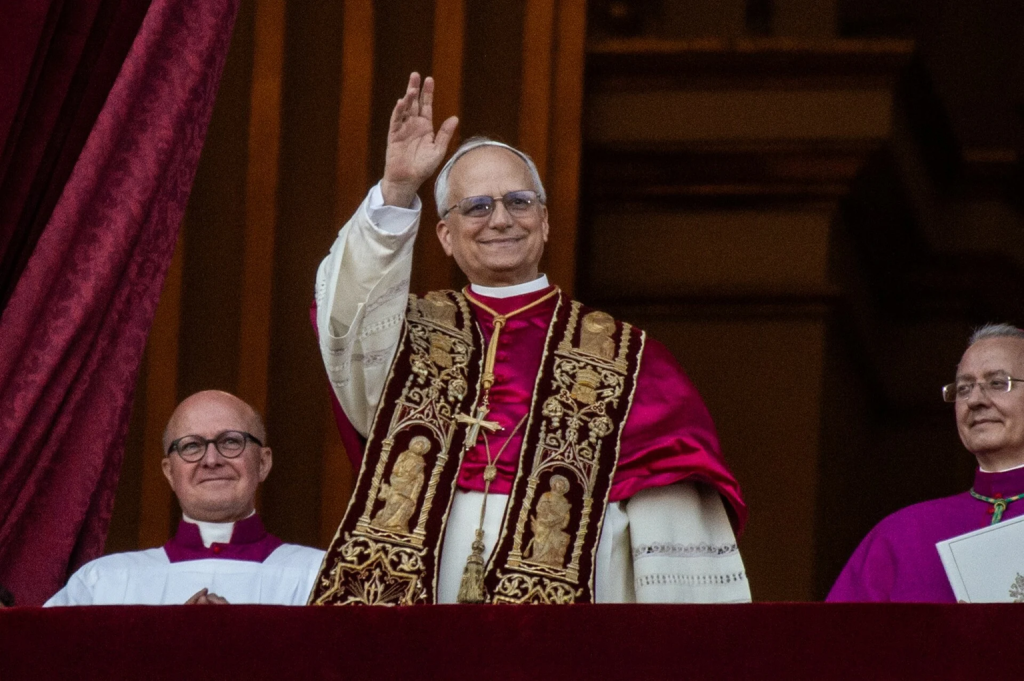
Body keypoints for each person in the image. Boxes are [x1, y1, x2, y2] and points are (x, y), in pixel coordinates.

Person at [310, 73, 749, 605]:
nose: (500, 219)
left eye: (519, 202)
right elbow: (345, 324)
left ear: (544, 222)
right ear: (445, 236)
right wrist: (398, 191)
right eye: (476, 207)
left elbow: (673, 513)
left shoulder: (631, 358)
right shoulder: (407, 335)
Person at [46, 390, 324, 606]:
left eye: (230, 441)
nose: (211, 460)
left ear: (263, 463)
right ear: (169, 471)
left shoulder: (323, 577)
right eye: (191, 446)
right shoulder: (103, 584)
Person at [829, 323, 1024, 602]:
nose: (975, 400)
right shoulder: (899, 536)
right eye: (964, 388)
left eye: (997, 383)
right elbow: (832, 640)